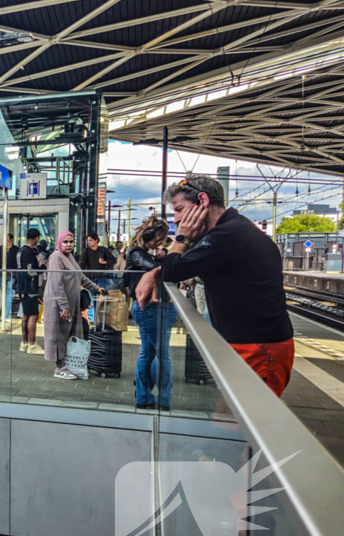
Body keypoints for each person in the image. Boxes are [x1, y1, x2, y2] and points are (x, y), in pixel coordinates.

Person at [136, 175, 295, 397]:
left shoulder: (227, 235)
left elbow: (173, 269)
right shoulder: (230, 230)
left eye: (179, 209)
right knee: (229, 421)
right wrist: (155, 272)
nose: (176, 220)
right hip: (250, 344)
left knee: (245, 423)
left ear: (202, 201)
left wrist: (181, 239)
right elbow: (180, 265)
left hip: (258, 348)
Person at [125, 217, 177, 409]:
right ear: (148, 236)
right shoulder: (137, 253)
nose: (160, 242)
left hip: (148, 307)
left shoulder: (143, 253)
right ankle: (164, 400)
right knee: (163, 354)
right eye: (159, 238)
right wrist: (162, 260)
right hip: (151, 308)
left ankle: (144, 397)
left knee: (148, 352)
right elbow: (156, 270)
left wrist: (161, 256)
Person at [43, 231, 105, 380]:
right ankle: (59, 369)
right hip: (59, 304)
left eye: (71, 241)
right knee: (60, 336)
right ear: (59, 243)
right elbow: (56, 283)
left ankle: (68, 365)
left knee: (69, 334)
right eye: (65, 242)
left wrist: (96, 288)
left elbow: (80, 276)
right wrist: (63, 306)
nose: (69, 245)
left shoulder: (69, 257)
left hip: (70, 303)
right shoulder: (56, 257)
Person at [15, 229, 46, 354]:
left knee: (26, 315)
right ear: (37, 238)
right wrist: (43, 267)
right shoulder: (29, 253)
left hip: (22, 286)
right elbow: (31, 272)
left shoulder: (20, 251)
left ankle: (24, 342)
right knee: (33, 315)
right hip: (30, 288)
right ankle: (32, 345)